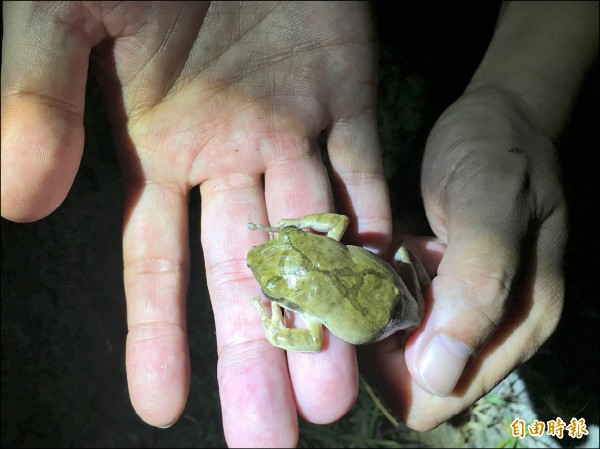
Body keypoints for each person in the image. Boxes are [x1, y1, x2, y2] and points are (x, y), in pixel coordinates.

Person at [1, 1, 597, 447]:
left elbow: (308, 334)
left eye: (277, 279)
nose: (267, 270)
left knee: (388, 328)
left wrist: (273, 318)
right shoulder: (322, 245)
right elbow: (334, 223)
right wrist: (297, 238)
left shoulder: (307, 297)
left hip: (387, 315)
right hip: (382, 278)